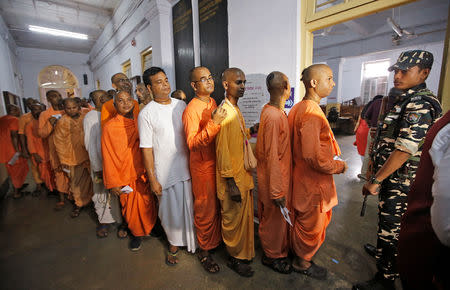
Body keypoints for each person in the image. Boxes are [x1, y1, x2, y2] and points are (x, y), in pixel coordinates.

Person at [353, 50, 442, 290]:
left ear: (424, 73)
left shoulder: (420, 103)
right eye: (396, 70)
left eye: (405, 71)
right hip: (393, 177)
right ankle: (385, 254)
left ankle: (386, 279)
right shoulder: (404, 99)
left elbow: (404, 150)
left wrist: (376, 180)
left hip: (402, 181)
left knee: (393, 227)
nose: (398, 75)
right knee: (387, 224)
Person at [289, 64, 347, 280]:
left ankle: (301, 256)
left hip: (305, 180)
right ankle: (302, 263)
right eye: (329, 78)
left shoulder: (298, 108)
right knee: (311, 225)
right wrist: (339, 166)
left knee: (307, 222)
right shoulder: (311, 113)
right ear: (314, 83)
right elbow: (313, 157)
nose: (333, 83)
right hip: (313, 183)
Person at [139, 67, 196, 263]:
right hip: (164, 172)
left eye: (166, 80)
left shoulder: (181, 105)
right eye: (159, 82)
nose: (165, 85)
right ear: (149, 87)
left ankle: (191, 240)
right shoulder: (146, 113)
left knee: (189, 207)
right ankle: (173, 242)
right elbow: (146, 149)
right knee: (169, 211)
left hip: (186, 167)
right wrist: (153, 179)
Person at [397, 110, 450, 290]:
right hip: (423, 244)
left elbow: (404, 149)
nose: (397, 78)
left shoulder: (423, 105)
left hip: (428, 246)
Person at [182, 66, 227, 273]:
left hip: (215, 162)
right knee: (205, 209)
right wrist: (214, 124)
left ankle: (214, 242)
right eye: (203, 79)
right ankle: (204, 251)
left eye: (210, 77)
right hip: (202, 167)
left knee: (217, 206)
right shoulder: (191, 109)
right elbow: (192, 143)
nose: (209, 81)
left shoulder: (212, 102)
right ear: (194, 85)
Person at [102, 90, 158, 251]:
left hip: (144, 171)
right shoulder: (110, 127)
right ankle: (136, 234)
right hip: (124, 175)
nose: (126, 103)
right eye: (121, 100)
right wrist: (113, 183)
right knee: (130, 208)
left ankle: (151, 228)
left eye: (129, 99)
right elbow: (108, 156)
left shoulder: (140, 121)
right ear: (114, 105)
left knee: (148, 203)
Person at [216, 67, 256, 277]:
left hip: (243, 175)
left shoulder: (235, 109)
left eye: (244, 83)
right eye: (238, 82)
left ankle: (242, 253)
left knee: (243, 219)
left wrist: (251, 130)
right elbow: (222, 151)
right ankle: (234, 258)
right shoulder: (223, 112)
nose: (242, 87)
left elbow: (237, 138)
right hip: (232, 179)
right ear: (226, 85)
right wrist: (231, 183)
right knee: (232, 219)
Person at [255, 71, 292, 274]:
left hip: (276, 177)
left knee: (276, 222)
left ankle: (278, 251)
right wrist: (277, 191)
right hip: (274, 181)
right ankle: (272, 257)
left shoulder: (270, 110)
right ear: (285, 86)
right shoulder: (273, 115)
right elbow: (272, 155)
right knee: (273, 222)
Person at [84, 90, 122, 238]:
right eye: (106, 97)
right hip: (100, 164)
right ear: (98, 100)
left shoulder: (113, 112)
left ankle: (118, 220)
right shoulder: (90, 117)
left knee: (115, 194)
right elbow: (90, 144)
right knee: (101, 194)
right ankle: (103, 221)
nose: (109, 99)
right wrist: (97, 167)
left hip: (113, 163)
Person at [54, 98, 93, 218]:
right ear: (64, 109)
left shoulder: (85, 116)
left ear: (79, 106)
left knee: (91, 180)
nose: (71, 110)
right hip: (72, 157)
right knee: (76, 183)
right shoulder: (62, 122)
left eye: (74, 107)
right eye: (68, 108)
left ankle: (91, 200)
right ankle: (79, 204)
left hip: (87, 154)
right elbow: (59, 142)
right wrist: (63, 160)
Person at [38, 90, 69, 209]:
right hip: (55, 149)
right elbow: (42, 133)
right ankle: (61, 198)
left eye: (60, 95)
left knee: (72, 172)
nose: (58, 98)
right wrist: (50, 124)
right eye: (54, 96)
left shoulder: (67, 110)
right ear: (49, 99)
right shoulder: (44, 114)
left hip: (69, 147)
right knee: (59, 172)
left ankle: (72, 195)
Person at [24, 102, 55, 196]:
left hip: (51, 150)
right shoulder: (29, 125)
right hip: (39, 152)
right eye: (34, 110)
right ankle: (51, 189)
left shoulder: (48, 120)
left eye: (39, 109)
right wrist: (34, 153)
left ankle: (54, 188)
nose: (36, 112)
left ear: (43, 110)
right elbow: (30, 141)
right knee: (44, 171)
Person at [0, 104, 29, 199]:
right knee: (18, 170)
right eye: (18, 110)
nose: (19, 111)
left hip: (4, 151)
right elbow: (14, 136)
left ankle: (18, 187)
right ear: (15, 110)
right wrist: (18, 151)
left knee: (11, 170)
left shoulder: (2, 118)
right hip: (12, 151)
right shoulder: (14, 120)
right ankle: (17, 192)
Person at [18, 97, 43, 195]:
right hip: (33, 146)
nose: (31, 105)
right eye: (29, 104)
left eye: (34, 103)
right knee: (35, 166)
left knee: (46, 166)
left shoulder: (44, 116)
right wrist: (24, 149)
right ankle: (39, 185)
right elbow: (21, 134)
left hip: (45, 145)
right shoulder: (25, 118)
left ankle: (49, 185)